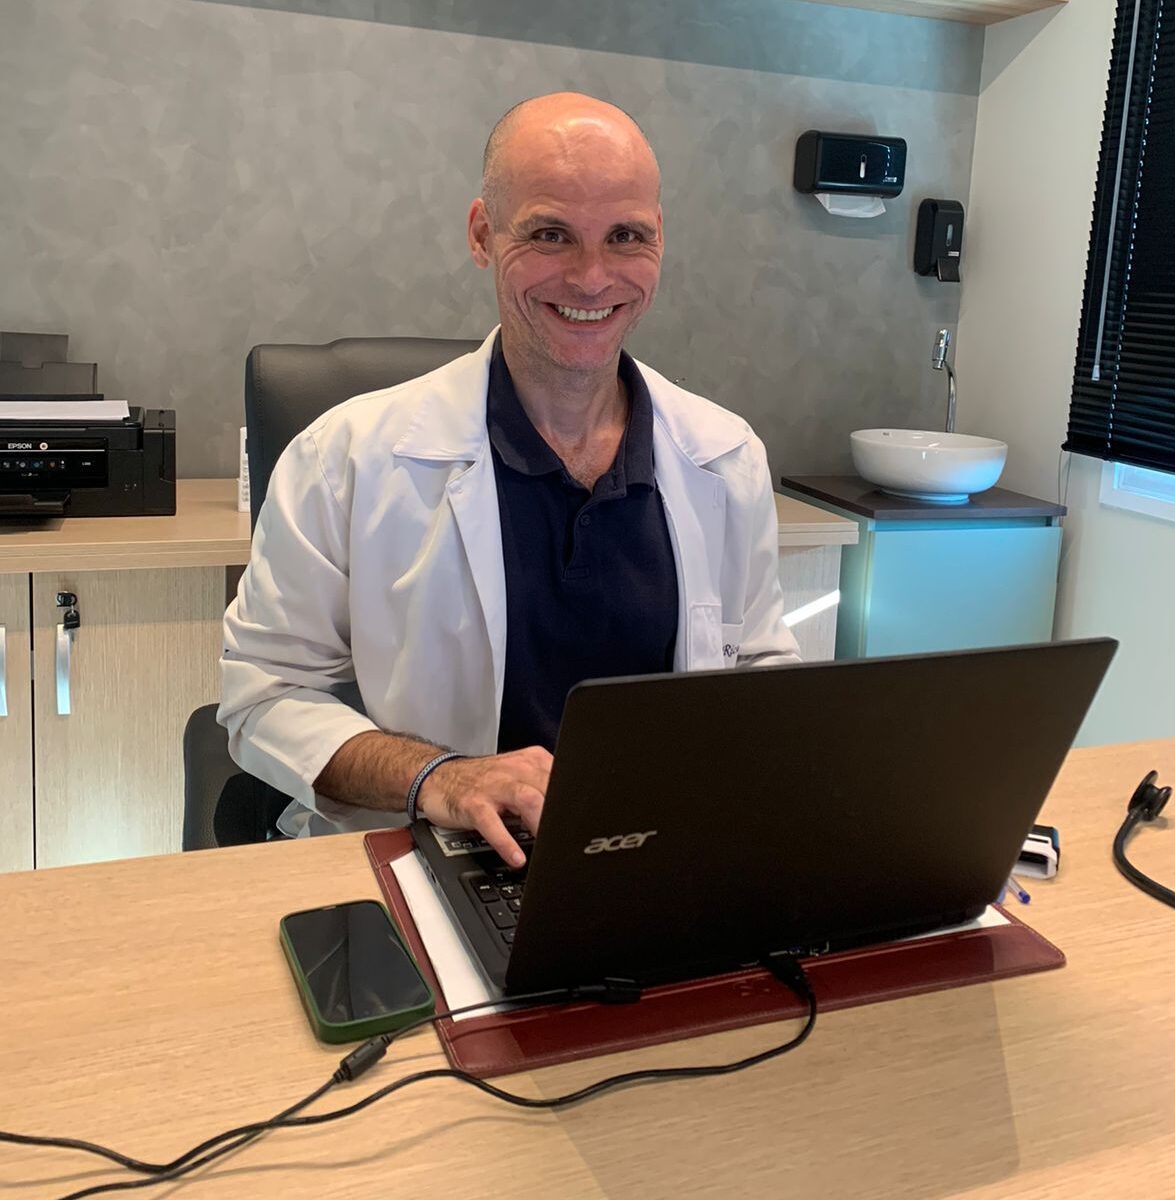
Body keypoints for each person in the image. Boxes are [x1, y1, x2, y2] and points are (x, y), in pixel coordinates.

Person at [218, 92, 798, 866]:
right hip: (434, 857)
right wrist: (438, 777)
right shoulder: (344, 458)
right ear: (483, 234)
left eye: (626, 236)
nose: (592, 277)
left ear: (659, 239)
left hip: (661, 857)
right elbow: (264, 696)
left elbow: (759, 667)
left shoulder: (724, 456)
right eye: (551, 234)